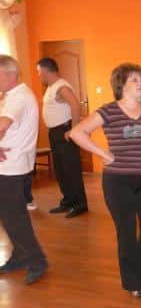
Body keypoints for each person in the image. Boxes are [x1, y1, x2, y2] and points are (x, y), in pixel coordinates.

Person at [70, 63, 141, 300]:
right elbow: (77, 132)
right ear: (122, 86)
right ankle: (134, 283)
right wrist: (103, 153)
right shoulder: (108, 111)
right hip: (118, 181)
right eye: (134, 80)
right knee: (126, 231)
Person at [0, 55, 48, 284]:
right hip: (9, 166)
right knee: (9, 216)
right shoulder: (12, 96)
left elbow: (2, 124)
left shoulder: (19, 97)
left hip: (12, 167)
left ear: (9, 74)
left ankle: (37, 261)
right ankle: (20, 256)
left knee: (15, 218)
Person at [36, 57, 89, 218]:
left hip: (64, 131)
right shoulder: (51, 87)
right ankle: (68, 201)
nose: (39, 75)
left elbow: (75, 105)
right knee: (61, 170)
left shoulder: (61, 86)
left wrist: (74, 130)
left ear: (45, 70)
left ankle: (80, 205)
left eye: (39, 72)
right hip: (55, 133)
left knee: (71, 169)